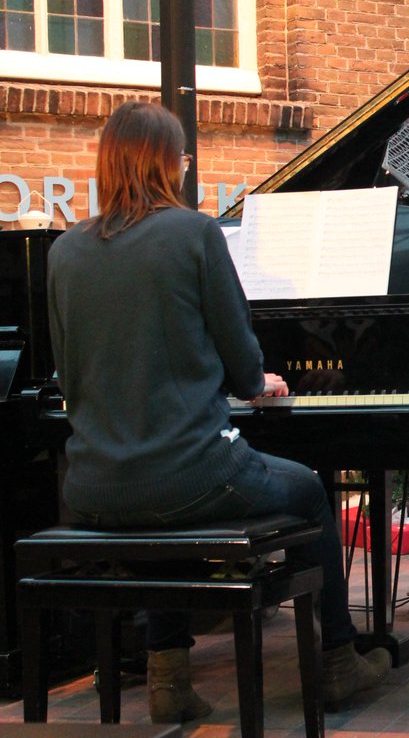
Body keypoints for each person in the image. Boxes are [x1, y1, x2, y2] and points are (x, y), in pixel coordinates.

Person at [47, 101, 390, 722]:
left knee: (162, 502)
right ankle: (338, 660)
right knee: (310, 490)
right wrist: (263, 382)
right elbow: (241, 365)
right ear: (165, 164)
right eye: (181, 158)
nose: (185, 169)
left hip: (94, 488)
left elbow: (71, 375)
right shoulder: (194, 232)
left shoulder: (65, 251)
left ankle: (169, 678)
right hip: (193, 476)